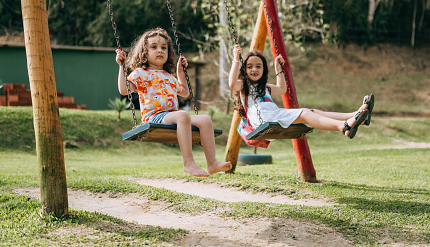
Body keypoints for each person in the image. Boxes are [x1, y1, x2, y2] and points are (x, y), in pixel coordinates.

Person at [116, 27, 232, 177]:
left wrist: (180, 72)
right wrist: (121, 67)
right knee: (182, 115)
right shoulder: (140, 73)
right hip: (154, 116)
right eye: (154, 47)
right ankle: (188, 162)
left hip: (172, 116)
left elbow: (184, 91)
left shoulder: (168, 76)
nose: (160, 50)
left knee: (205, 119)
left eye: (164, 47)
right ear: (144, 52)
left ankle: (212, 163)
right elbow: (124, 90)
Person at [229, 45, 374, 140]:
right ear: (244, 70)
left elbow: (282, 89)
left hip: (273, 116)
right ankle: (344, 126)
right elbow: (232, 83)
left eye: (258, 66)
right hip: (264, 120)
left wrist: (278, 68)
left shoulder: (265, 87)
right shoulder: (244, 86)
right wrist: (236, 60)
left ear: (263, 70)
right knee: (305, 114)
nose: (254, 69)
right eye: (249, 67)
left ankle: (356, 116)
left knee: (312, 111)